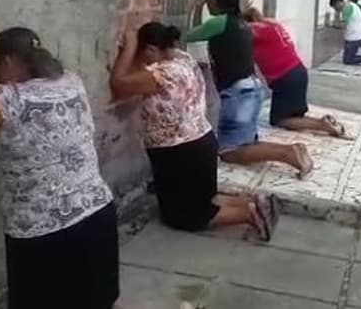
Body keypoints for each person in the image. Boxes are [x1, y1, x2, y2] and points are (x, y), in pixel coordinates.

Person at [0, 26, 118, 309]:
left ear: (9, 62)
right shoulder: (71, 81)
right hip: (97, 216)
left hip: (47, 236)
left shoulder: (13, 101)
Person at [109, 22, 276, 241]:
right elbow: (147, 73)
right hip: (200, 141)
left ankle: (247, 214)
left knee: (188, 217)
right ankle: (255, 201)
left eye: (143, 54)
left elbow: (119, 84)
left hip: (179, 151)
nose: (142, 62)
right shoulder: (182, 59)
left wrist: (129, 48)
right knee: (205, 200)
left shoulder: (164, 73)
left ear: (150, 49)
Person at [187, 0, 314, 178]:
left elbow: (189, 36)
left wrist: (193, 8)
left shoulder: (220, 22)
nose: (207, 4)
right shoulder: (240, 22)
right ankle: (295, 149)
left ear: (213, 0)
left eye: (208, 0)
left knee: (228, 151)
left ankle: (287, 153)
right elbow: (204, 34)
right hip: (251, 89)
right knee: (244, 144)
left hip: (238, 93)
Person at [241, 0, 350, 138]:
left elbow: (235, 28)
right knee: (293, 115)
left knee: (279, 120)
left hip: (286, 78)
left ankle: (323, 126)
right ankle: (322, 122)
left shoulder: (255, 30)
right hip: (297, 71)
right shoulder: (270, 23)